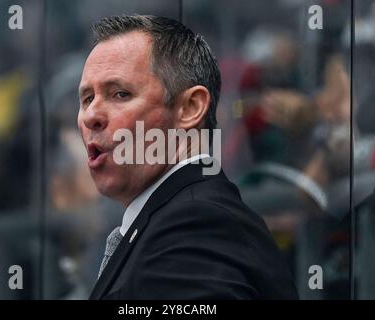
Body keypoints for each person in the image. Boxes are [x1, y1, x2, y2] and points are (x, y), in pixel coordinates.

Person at [77, 14, 298, 299]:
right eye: (86, 99)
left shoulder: (195, 225)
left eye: (120, 94)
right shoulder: (174, 219)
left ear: (191, 108)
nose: (91, 115)